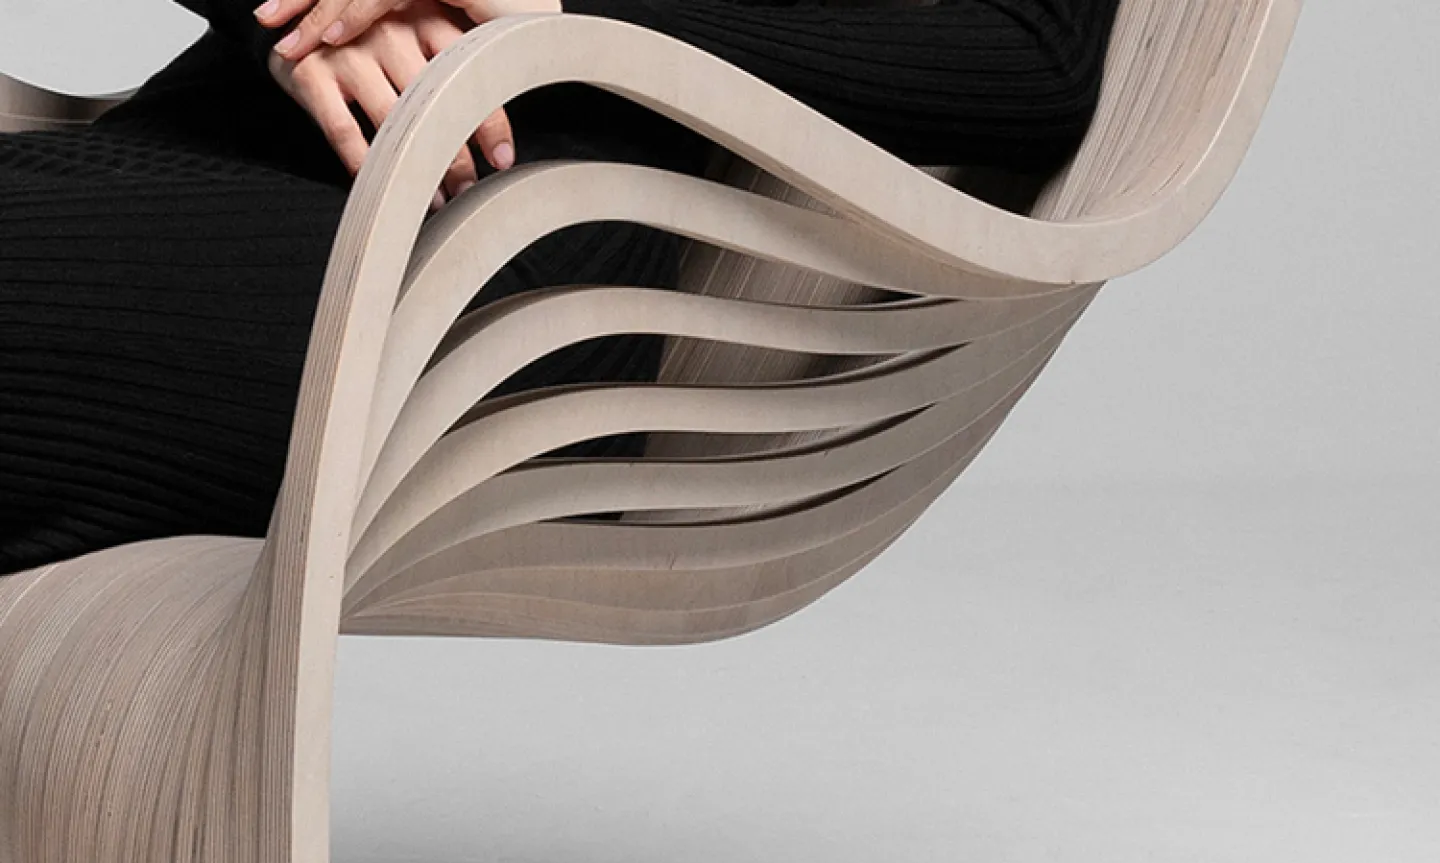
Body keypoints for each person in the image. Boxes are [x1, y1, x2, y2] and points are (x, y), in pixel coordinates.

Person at [0, 0, 1122, 578]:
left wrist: (554, 7)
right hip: (196, 143)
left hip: (494, 261)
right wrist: (292, 17)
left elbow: (1033, 63)